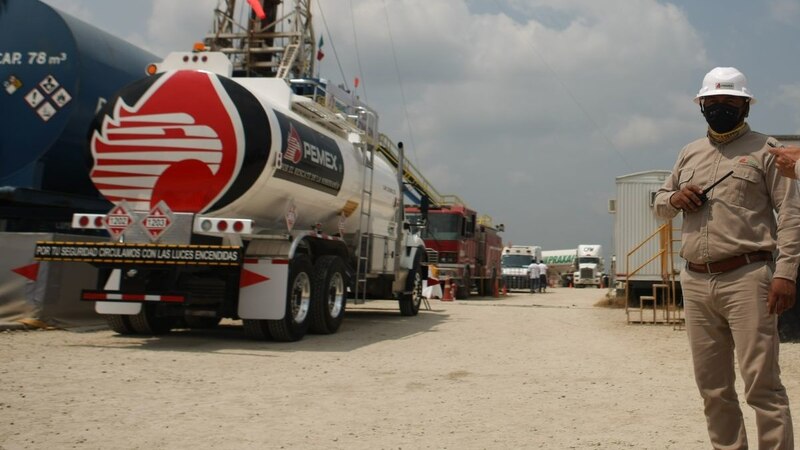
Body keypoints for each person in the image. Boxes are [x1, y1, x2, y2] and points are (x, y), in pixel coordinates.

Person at [653, 67, 800, 449]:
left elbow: (790, 215)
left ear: (745, 105)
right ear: (701, 105)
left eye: (729, 101)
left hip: (748, 277)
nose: (720, 107)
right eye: (713, 101)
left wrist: (786, 273)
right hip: (696, 282)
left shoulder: (767, 150)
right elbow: (660, 203)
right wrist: (674, 198)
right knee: (713, 388)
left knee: (762, 387)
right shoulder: (689, 152)